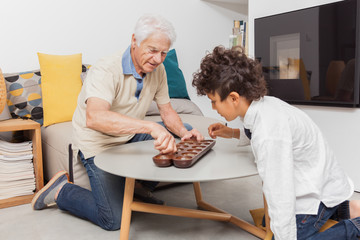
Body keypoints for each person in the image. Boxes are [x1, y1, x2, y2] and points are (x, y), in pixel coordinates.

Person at [31, 14, 203, 231]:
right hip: (99, 145)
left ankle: (137, 188)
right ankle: (62, 190)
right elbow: (95, 118)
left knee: (184, 131)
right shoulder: (106, 69)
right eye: (152, 50)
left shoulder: (158, 71)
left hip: (129, 137)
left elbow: (167, 112)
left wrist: (182, 133)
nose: (158, 59)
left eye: (163, 53)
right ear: (134, 41)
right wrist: (151, 126)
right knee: (113, 220)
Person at [192, 45, 360, 240]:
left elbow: (280, 191)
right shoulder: (263, 106)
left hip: (317, 193)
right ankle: (346, 207)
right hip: (322, 179)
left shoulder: (269, 131)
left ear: (233, 98)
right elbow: (253, 131)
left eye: (214, 101)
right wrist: (231, 133)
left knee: (281, 232)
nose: (213, 108)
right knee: (269, 223)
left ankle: (354, 226)